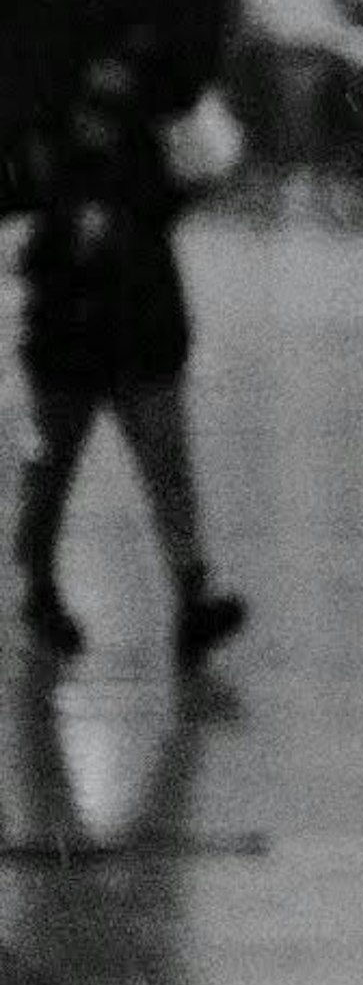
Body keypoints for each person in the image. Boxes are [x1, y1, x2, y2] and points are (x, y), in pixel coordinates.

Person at [15, 38, 250, 668]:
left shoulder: (151, 130)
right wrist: (70, 219)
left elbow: (188, 185)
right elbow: (36, 225)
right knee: (50, 474)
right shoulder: (44, 131)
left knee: (168, 466)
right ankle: (37, 587)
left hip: (142, 332)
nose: (113, 71)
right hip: (66, 339)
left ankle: (192, 595)